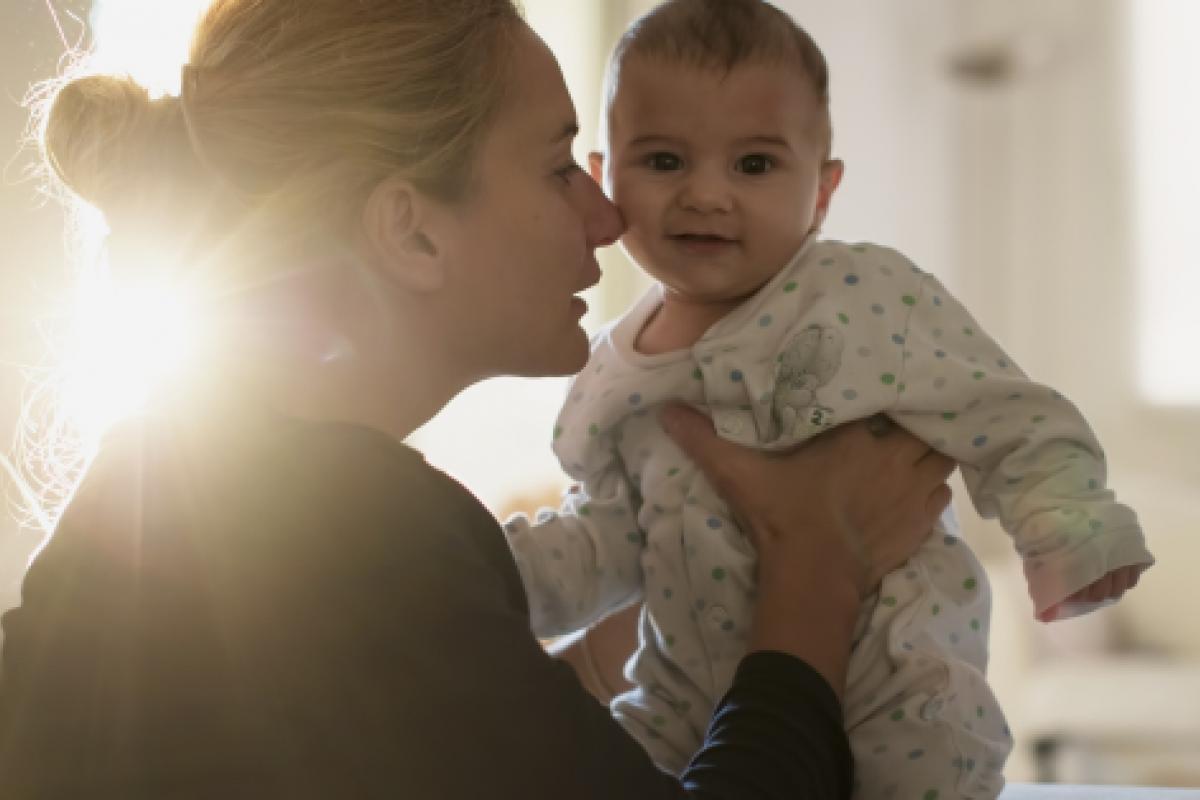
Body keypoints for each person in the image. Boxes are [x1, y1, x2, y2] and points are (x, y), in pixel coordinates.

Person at [0, 0, 958, 797]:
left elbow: (452, 739)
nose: (608, 216)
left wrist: (680, 606)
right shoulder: (355, 530)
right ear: (411, 233)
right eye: (556, 167)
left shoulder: (183, 476)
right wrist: (817, 568)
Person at [502, 1, 1155, 797]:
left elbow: (1011, 416)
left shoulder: (864, 294)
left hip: (891, 685)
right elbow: (605, 537)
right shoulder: (609, 370)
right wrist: (494, 581)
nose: (705, 194)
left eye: (754, 164)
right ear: (607, 179)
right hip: (684, 705)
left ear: (822, 190)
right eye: (665, 160)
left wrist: (1071, 532)